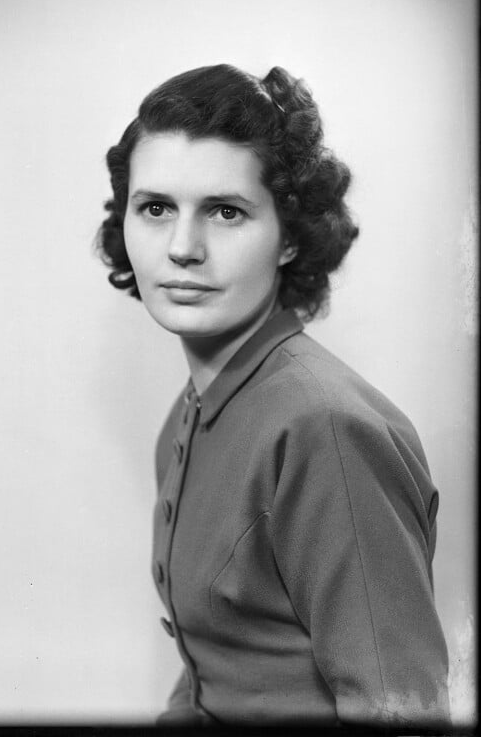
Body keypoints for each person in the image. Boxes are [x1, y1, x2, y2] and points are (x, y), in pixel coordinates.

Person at [96, 64, 450, 726]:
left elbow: (400, 712)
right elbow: (216, 673)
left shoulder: (325, 429)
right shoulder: (191, 410)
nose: (182, 248)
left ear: (288, 238)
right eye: (156, 208)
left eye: (226, 211)